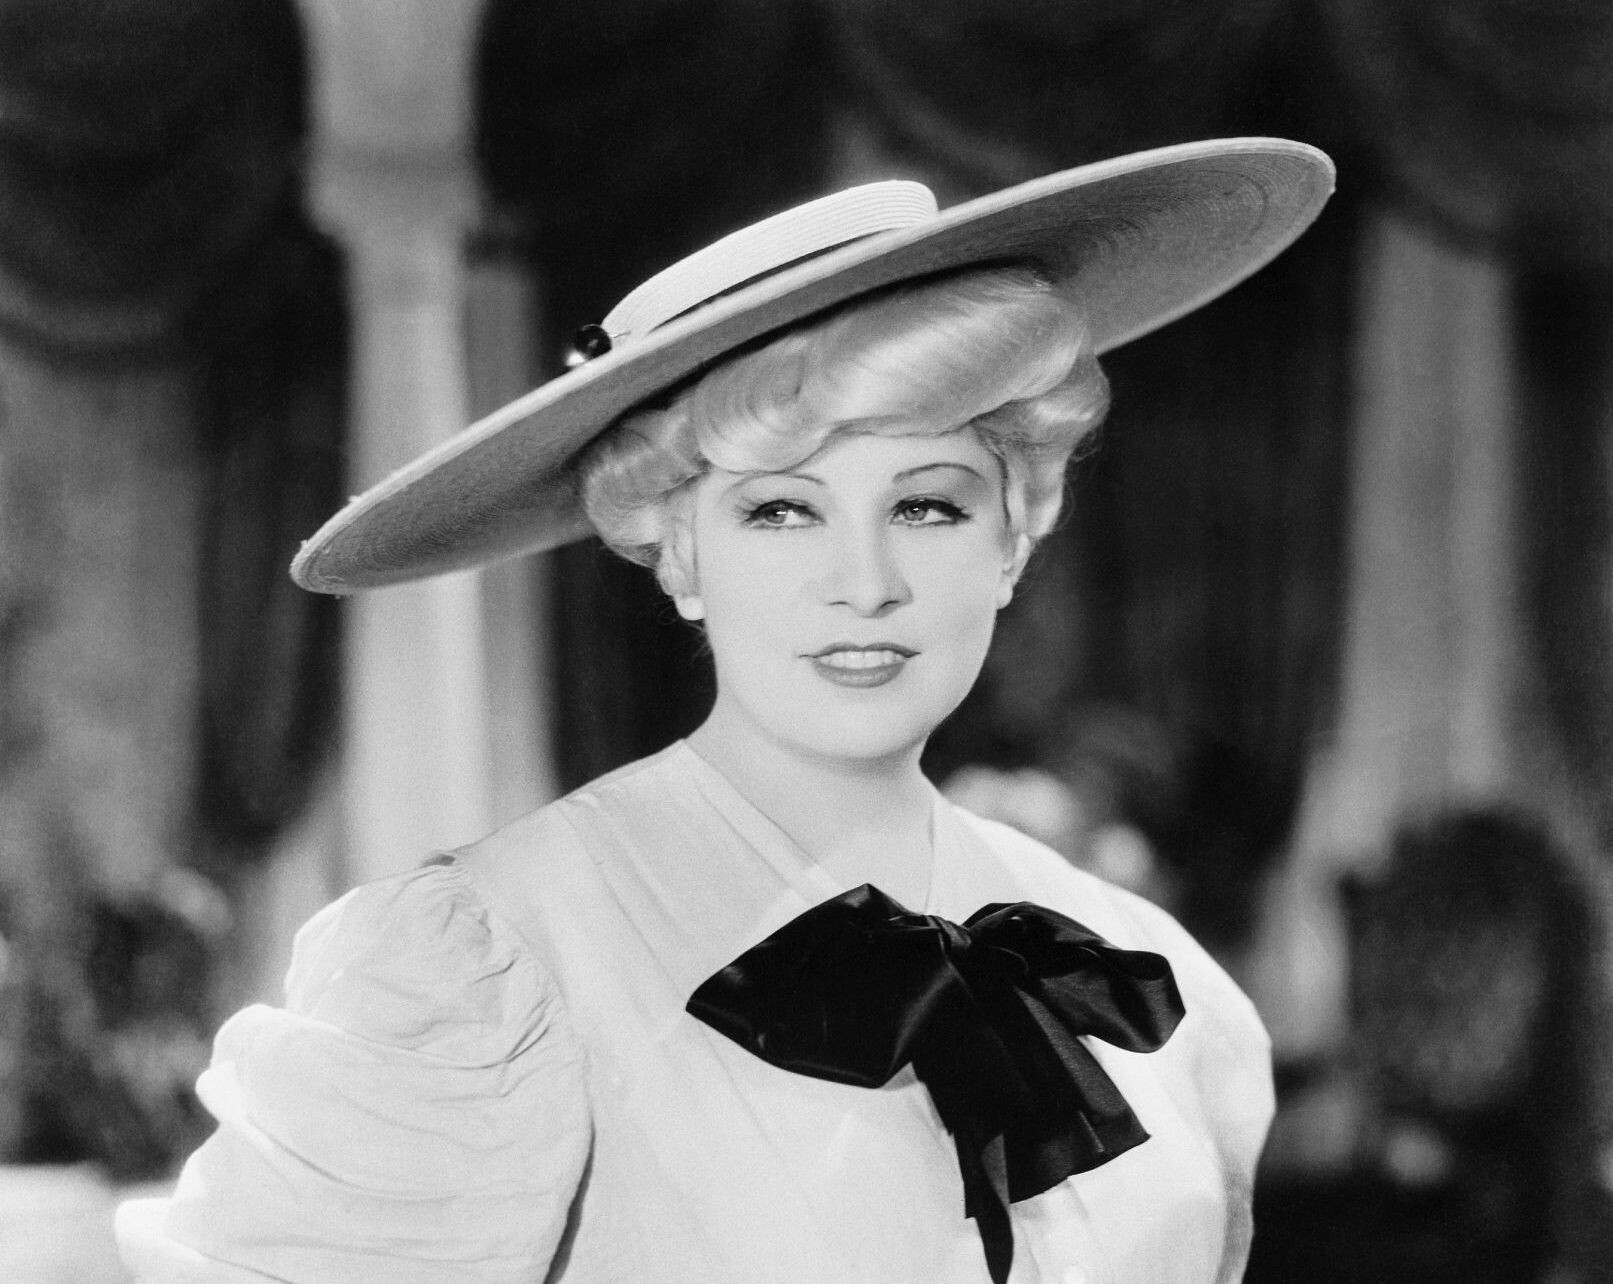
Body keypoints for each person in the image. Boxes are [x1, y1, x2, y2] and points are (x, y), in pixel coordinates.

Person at [118, 139, 1334, 1283]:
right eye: (780, 511)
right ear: (680, 558)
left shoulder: (1152, 977)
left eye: (927, 506)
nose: (863, 583)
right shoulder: (492, 970)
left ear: (1012, 538)